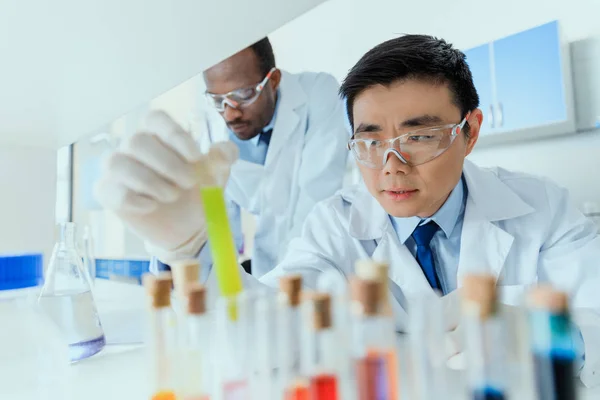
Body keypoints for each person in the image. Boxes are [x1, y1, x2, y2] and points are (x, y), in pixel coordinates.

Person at [95, 35, 600, 386]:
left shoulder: (542, 207)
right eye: (369, 141)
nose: (391, 166)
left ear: (470, 131)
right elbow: (262, 342)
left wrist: (554, 336)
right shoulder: (335, 225)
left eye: (419, 137)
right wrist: (192, 250)